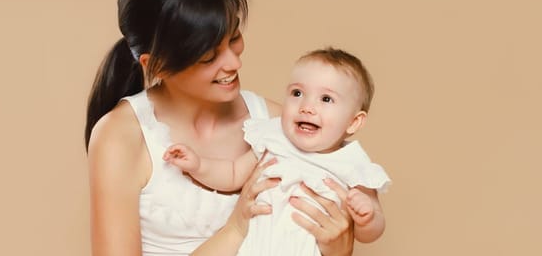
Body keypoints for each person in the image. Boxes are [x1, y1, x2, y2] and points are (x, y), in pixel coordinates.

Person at [85, 0, 356, 256]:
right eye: (208, 57)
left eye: (235, 37)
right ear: (157, 65)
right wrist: (236, 229)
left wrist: (339, 247)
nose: (234, 62)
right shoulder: (121, 137)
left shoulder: (280, 123)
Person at [163, 48, 391, 255]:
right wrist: (199, 165)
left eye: (326, 99)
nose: (307, 107)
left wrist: (367, 217)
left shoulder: (352, 163)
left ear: (353, 122)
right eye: (297, 93)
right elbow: (233, 174)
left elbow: (370, 231)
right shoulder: (273, 138)